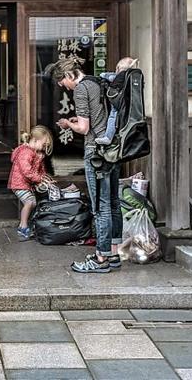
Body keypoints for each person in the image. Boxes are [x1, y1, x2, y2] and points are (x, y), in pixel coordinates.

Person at [54, 61, 122, 273]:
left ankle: (101, 258)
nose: (64, 86)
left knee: (100, 207)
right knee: (112, 202)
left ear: (68, 74)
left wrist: (68, 124)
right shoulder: (98, 82)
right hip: (112, 149)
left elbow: (84, 129)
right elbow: (100, 115)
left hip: (96, 152)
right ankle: (114, 253)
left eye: (62, 81)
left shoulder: (81, 89)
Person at [7, 125, 53, 241]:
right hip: (19, 184)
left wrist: (44, 177)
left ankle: (29, 224)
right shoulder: (26, 152)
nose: (44, 148)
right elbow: (27, 171)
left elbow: (40, 170)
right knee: (30, 202)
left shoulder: (36, 153)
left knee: (33, 202)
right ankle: (23, 226)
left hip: (27, 184)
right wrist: (40, 179)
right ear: (35, 140)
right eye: (43, 145)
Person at [95, 57, 139, 146]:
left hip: (117, 101)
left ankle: (108, 137)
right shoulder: (131, 76)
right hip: (128, 103)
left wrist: (103, 74)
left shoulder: (119, 75)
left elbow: (108, 76)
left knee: (113, 116)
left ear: (118, 68)